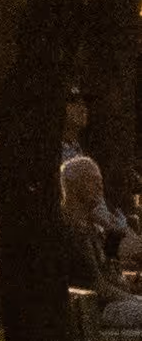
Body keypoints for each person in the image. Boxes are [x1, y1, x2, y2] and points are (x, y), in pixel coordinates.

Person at [59, 98, 122, 290]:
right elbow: (100, 287)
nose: (83, 108)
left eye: (84, 103)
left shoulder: (78, 149)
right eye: (73, 102)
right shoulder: (78, 233)